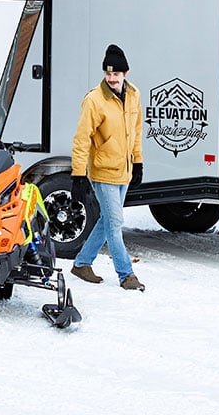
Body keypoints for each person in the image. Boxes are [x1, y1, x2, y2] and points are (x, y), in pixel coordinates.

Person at [69, 43, 146, 291]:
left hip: (123, 170)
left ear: (125, 73)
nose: (111, 78)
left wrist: (138, 161)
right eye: (107, 73)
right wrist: (78, 175)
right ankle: (126, 274)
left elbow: (136, 131)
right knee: (115, 224)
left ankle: (82, 263)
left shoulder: (134, 94)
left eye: (115, 74)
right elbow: (82, 139)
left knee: (106, 221)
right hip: (103, 172)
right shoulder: (94, 100)